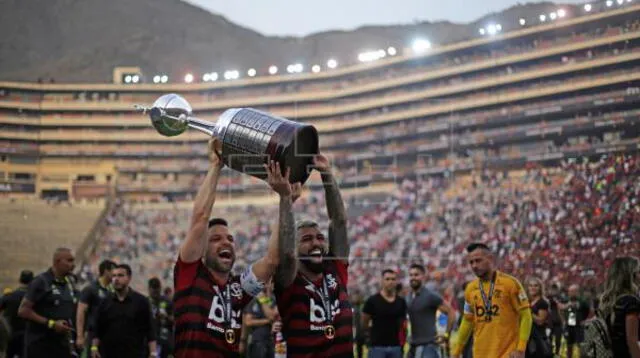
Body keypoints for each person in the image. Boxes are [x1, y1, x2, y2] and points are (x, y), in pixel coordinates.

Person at [172, 138, 300, 358]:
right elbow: (200, 219)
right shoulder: (190, 276)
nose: (226, 242)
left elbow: (271, 261)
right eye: (216, 239)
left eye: (230, 239)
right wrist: (215, 166)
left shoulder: (237, 289)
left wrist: (285, 199)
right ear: (202, 249)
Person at [274, 153, 354, 357]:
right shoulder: (289, 281)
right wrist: (286, 200)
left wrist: (327, 174)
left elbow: (339, 222)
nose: (316, 243)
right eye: (307, 239)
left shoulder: (334, 269)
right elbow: (286, 253)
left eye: (319, 237)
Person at [452, 242, 532, 358]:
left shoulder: (510, 283)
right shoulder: (470, 289)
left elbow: (526, 316)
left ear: (490, 258)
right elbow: (467, 321)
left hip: (507, 353)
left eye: (478, 260)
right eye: (471, 262)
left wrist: (521, 349)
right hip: (480, 354)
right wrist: (457, 351)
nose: (474, 265)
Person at [18, 248, 77, 358]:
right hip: (40, 345)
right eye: (69, 261)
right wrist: (51, 324)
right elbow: (23, 311)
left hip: (61, 345)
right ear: (57, 261)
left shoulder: (70, 282)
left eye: (73, 261)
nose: (73, 264)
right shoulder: (41, 281)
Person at [91, 264, 157, 358]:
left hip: (135, 354)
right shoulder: (104, 302)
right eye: (114, 276)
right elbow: (97, 329)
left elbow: (150, 329)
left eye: (120, 275)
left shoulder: (142, 301)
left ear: (129, 278)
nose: (116, 279)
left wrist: (153, 353)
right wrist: (94, 348)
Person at [406, 264, 454, 358]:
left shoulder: (430, 296)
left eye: (416, 275)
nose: (413, 277)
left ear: (423, 276)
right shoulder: (408, 297)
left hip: (429, 346)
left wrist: (446, 335)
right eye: (411, 275)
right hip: (413, 347)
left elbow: (451, 313)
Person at [598, 256, 640, 358]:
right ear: (630, 276)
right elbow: (631, 341)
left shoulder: (608, 302)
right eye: (638, 272)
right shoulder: (631, 302)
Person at [362, 269, 407, 358]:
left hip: (396, 347)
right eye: (387, 279)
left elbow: (403, 325)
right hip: (377, 348)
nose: (390, 282)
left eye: (393, 279)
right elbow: (364, 322)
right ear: (382, 281)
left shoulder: (401, 302)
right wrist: (368, 337)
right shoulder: (372, 301)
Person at [76, 260, 116, 354]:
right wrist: (80, 336)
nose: (115, 275)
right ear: (106, 271)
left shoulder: (112, 291)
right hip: (94, 335)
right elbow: (81, 312)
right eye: (113, 272)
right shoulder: (90, 289)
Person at [0, 270, 33, 358]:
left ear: (20, 280)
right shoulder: (35, 298)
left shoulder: (9, 296)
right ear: (32, 281)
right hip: (29, 335)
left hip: (10, 334)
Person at [243, 282, 277, 358]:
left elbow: (272, 316)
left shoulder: (275, 298)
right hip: (257, 341)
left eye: (272, 282)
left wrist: (263, 300)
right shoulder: (255, 299)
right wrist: (268, 321)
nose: (268, 285)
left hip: (273, 343)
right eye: (266, 283)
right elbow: (248, 321)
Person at [525, 277, 552, 358]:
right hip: (527, 336)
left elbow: (540, 321)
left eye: (536, 286)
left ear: (540, 288)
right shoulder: (527, 301)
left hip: (538, 337)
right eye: (531, 285)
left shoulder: (543, 302)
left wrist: (528, 312)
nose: (533, 288)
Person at [148, 278, 173, 358]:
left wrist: (166, 316)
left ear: (160, 288)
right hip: (149, 340)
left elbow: (175, 320)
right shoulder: (145, 302)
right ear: (149, 289)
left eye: (157, 290)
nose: (155, 293)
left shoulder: (167, 302)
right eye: (153, 290)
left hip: (164, 339)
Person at [563, 284, 590, 358]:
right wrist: (563, 319)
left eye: (574, 291)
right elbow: (561, 309)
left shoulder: (582, 301)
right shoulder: (565, 300)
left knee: (580, 345)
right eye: (570, 291)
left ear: (577, 292)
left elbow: (587, 311)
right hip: (568, 326)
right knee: (569, 345)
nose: (572, 293)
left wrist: (583, 319)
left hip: (578, 326)